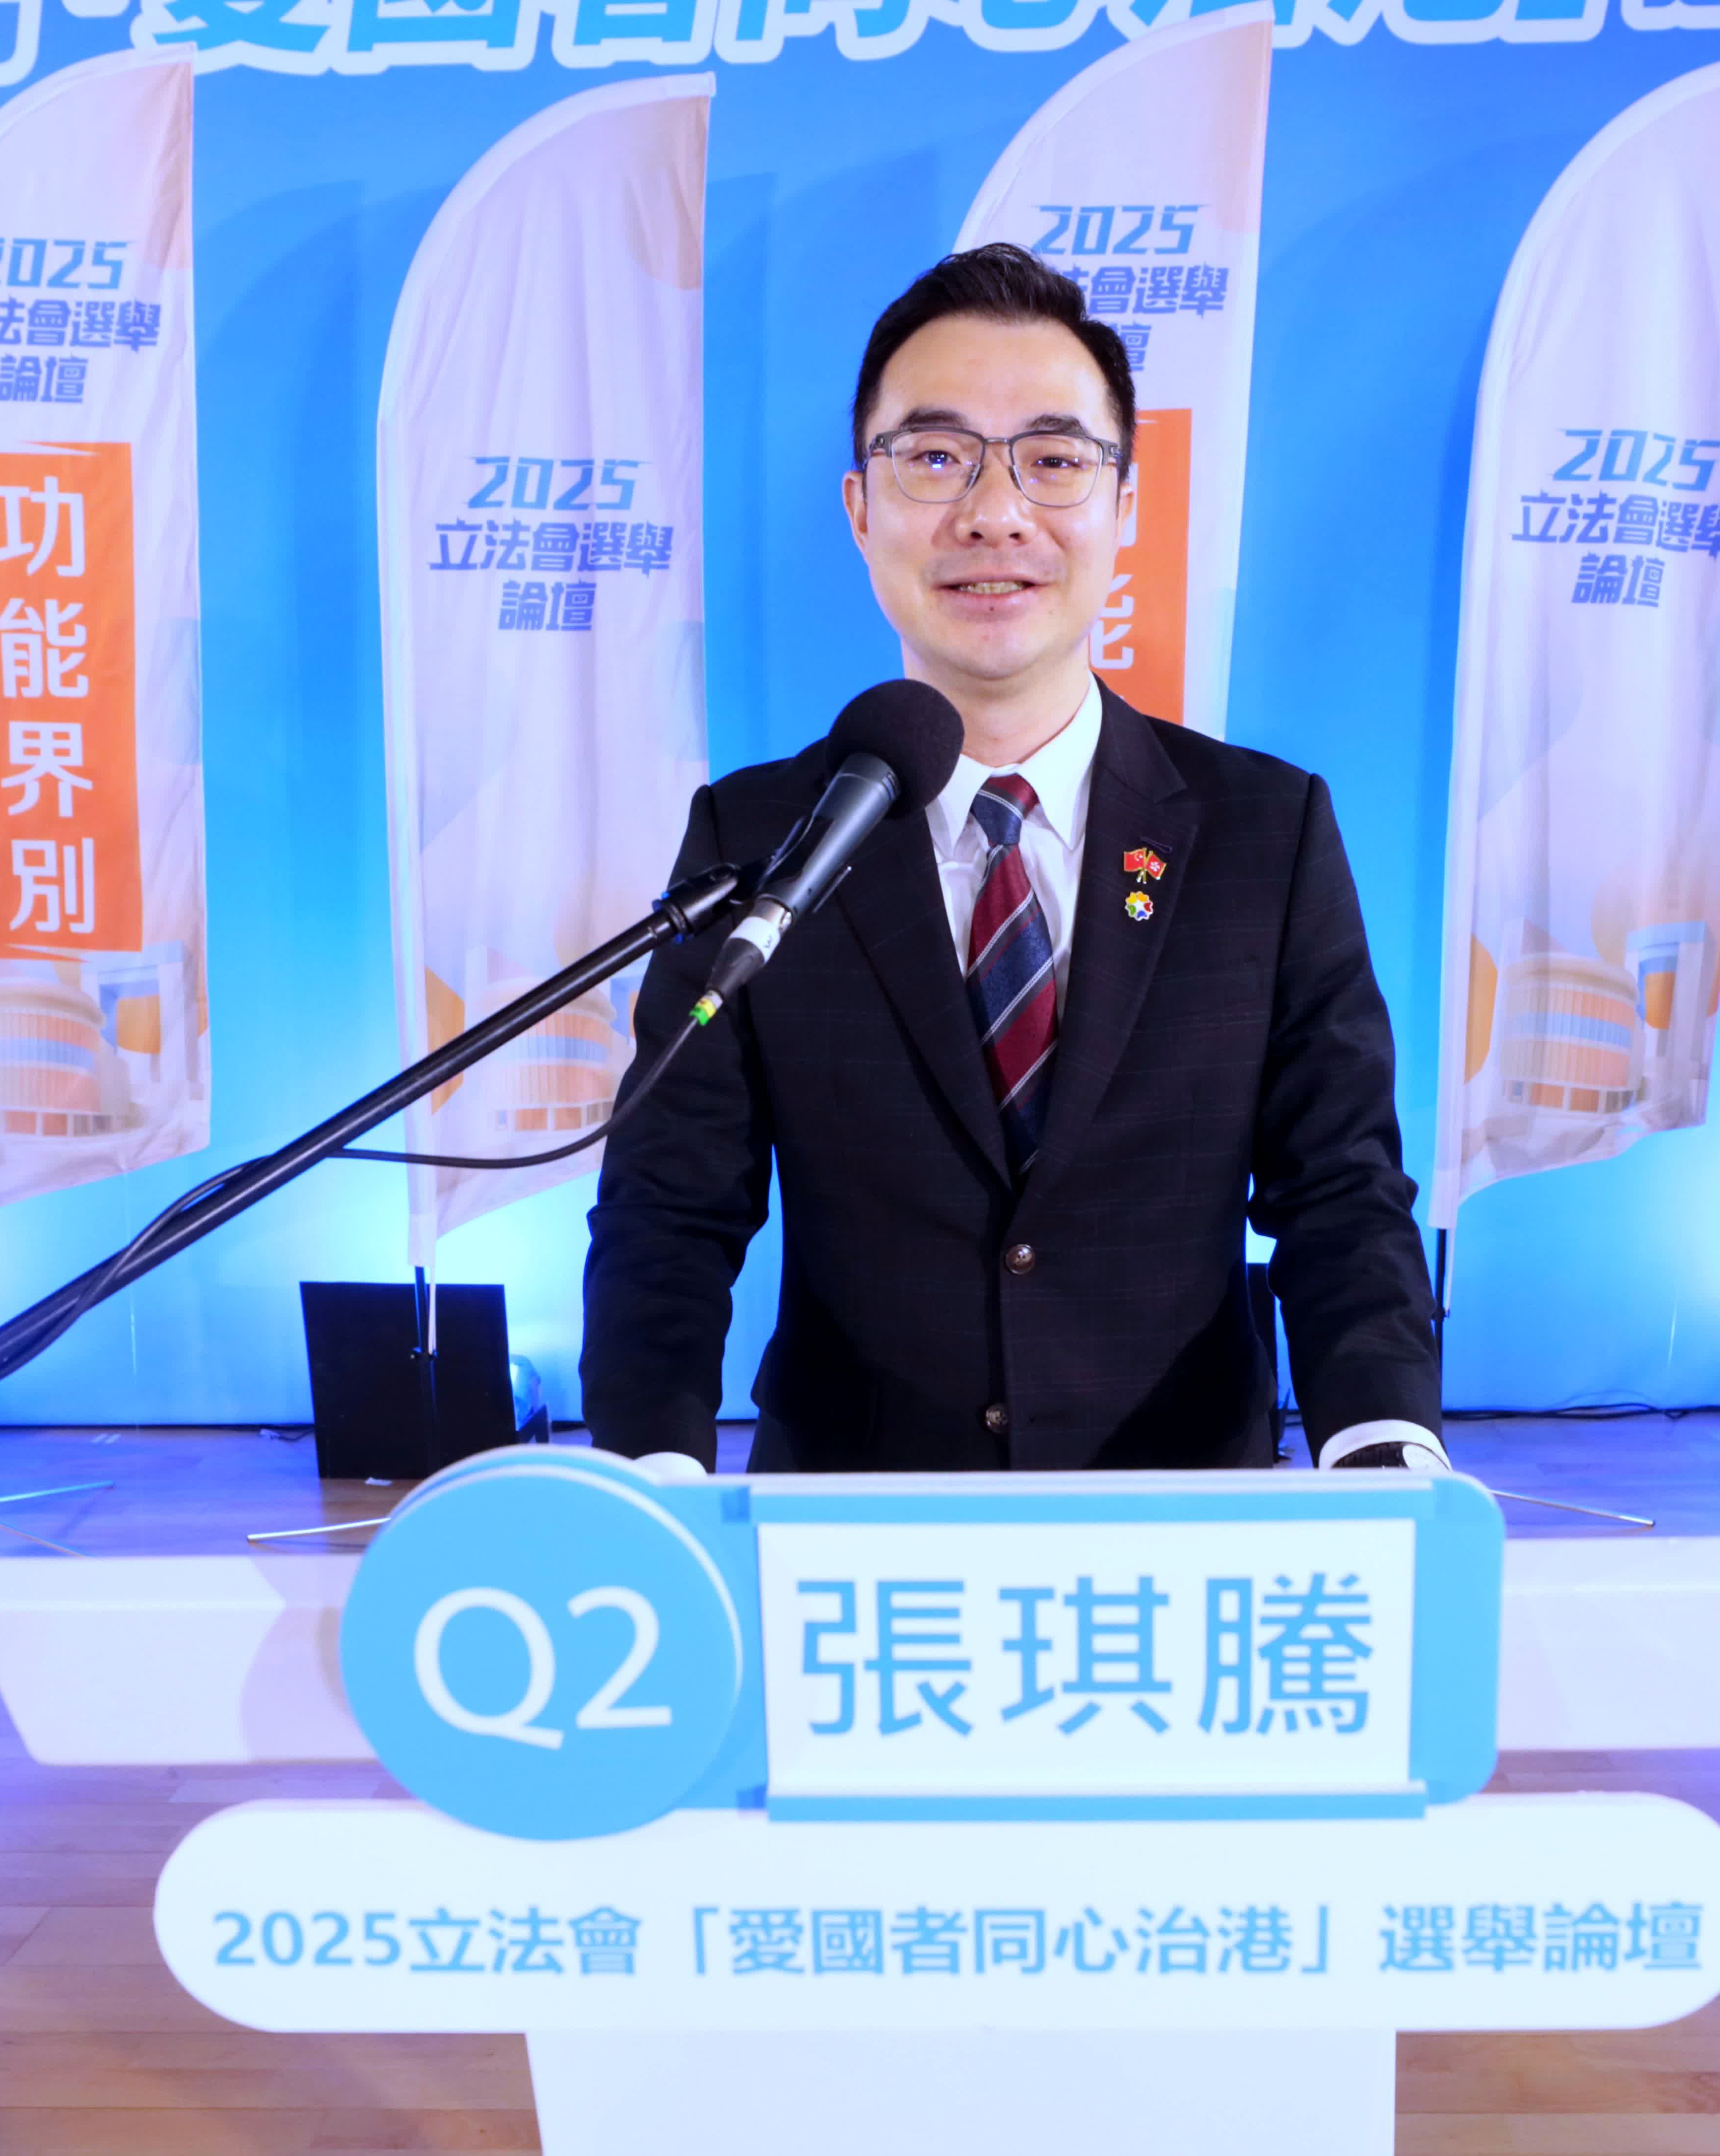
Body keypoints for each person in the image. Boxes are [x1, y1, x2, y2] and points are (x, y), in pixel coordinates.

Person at [581, 242, 1440, 1475]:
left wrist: (1381, 1443)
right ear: (859, 508)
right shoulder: (759, 839)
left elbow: (1339, 1185)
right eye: (936, 458)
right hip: (853, 1530)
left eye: (1052, 459)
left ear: (1125, 506)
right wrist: (650, 1474)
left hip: (1183, 1519)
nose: (994, 513)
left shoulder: (1263, 828)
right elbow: (671, 1206)